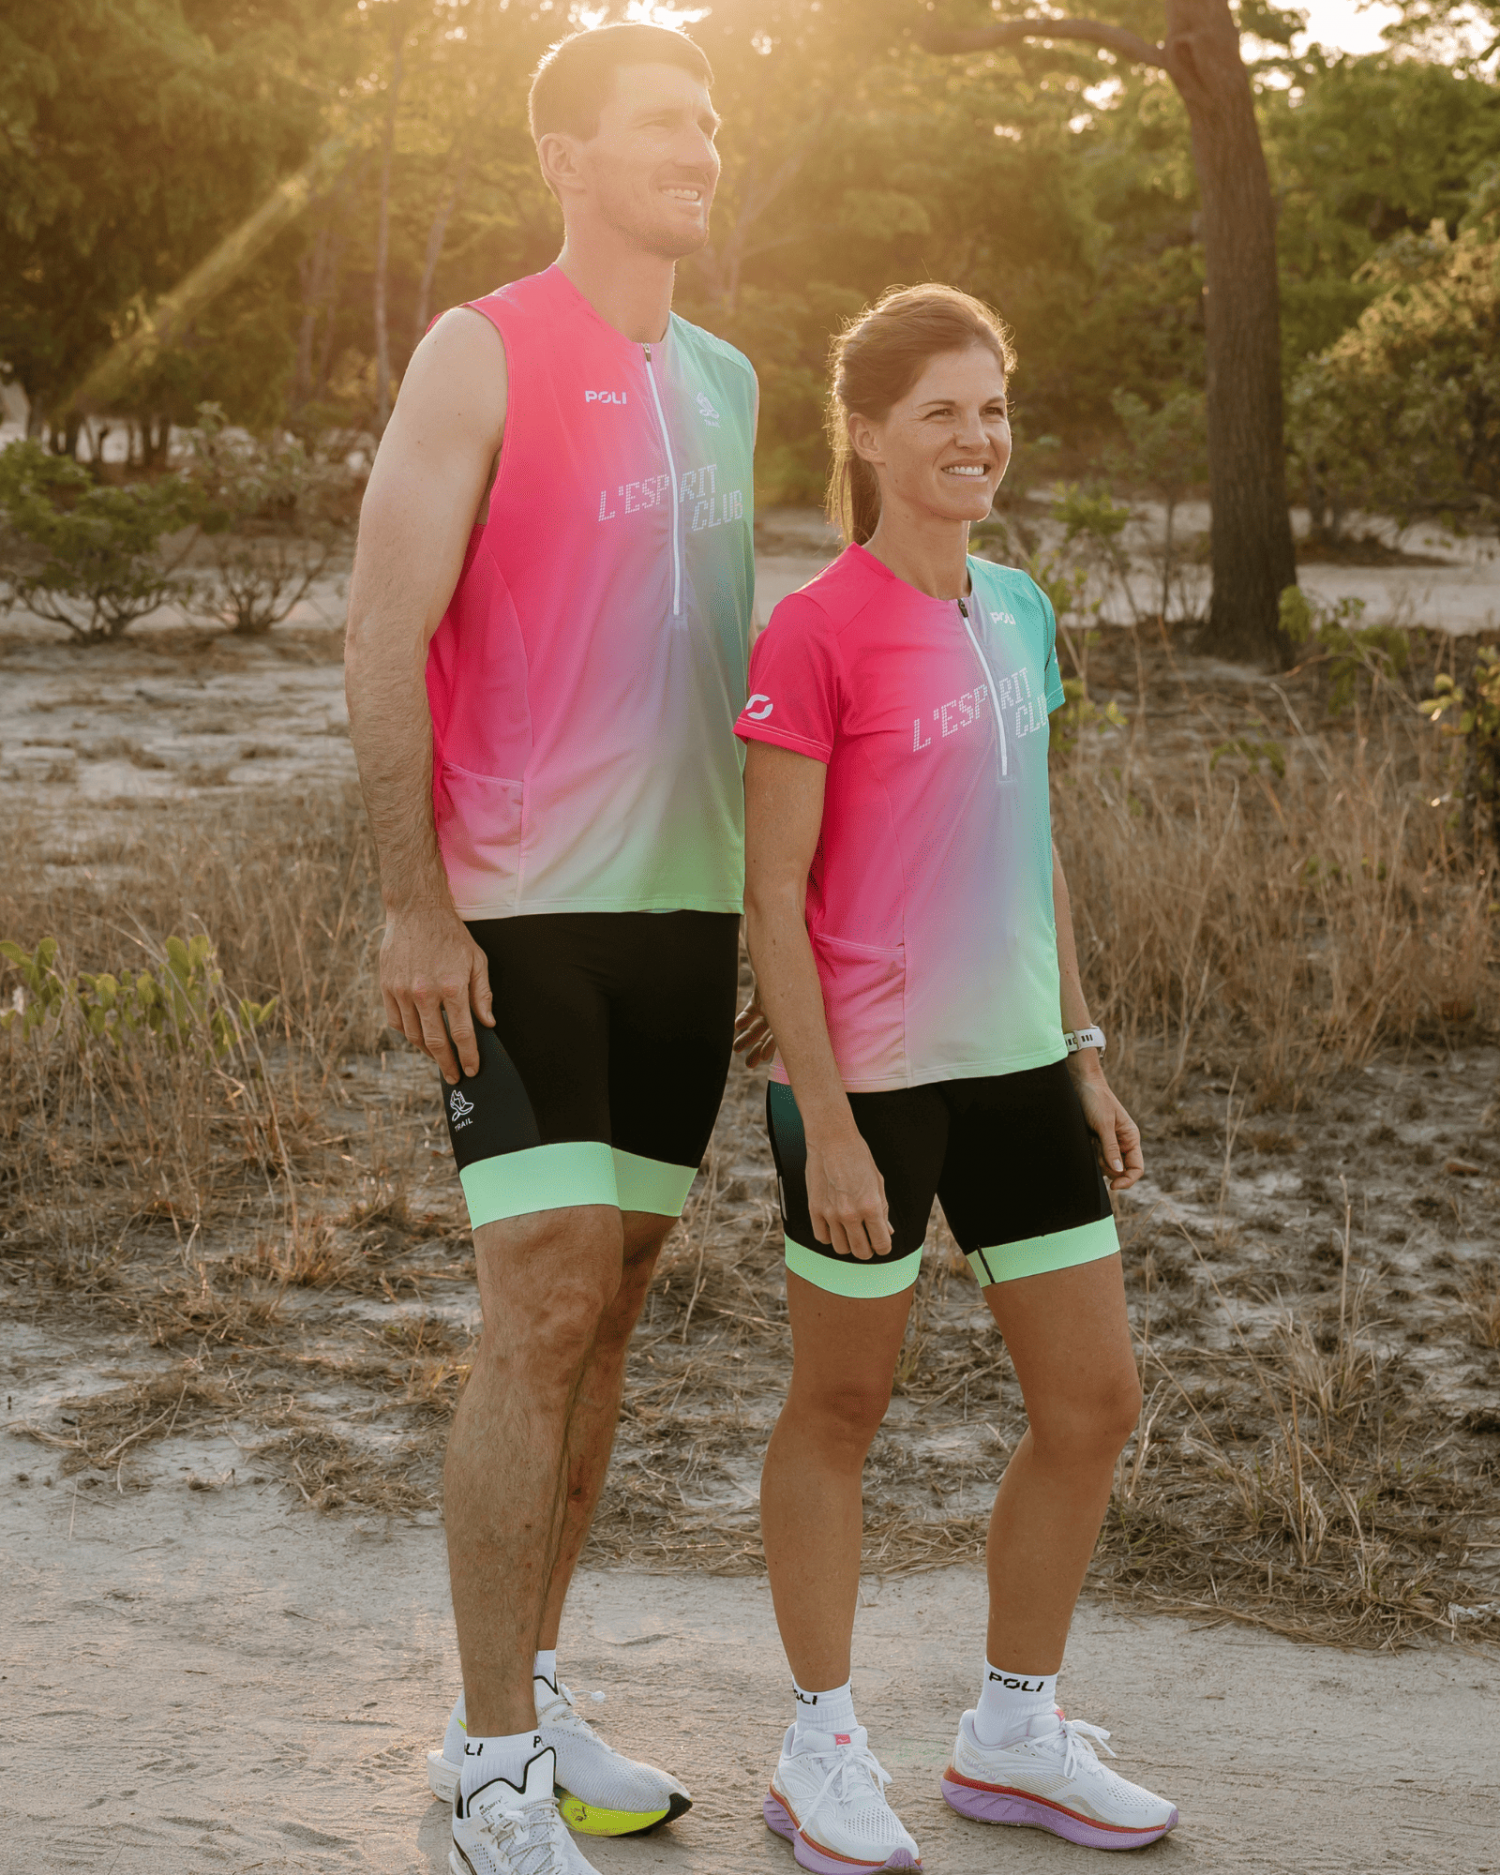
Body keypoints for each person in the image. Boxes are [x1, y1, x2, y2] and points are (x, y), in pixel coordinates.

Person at [344, 23, 757, 1875]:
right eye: (664, 121)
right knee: (542, 1298)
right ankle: (497, 1769)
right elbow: (380, 630)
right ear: (565, 157)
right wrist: (411, 900)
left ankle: (515, 1689)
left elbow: (727, 660)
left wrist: (773, 921)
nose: (701, 146)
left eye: (712, 122)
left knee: (615, 1305)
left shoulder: (732, 379)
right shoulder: (481, 346)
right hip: (516, 909)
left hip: (686, 917)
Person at [732, 284, 1179, 1870]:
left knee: (1094, 1401)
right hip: (870, 1088)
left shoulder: (1023, 608)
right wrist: (829, 1124)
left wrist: (1084, 1049)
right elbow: (772, 892)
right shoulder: (815, 628)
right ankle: (819, 1745)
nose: (977, 437)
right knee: (843, 1404)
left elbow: (1027, 843)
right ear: (866, 432)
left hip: (1018, 1073)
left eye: (992, 408)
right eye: (942, 412)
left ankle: (1012, 1730)